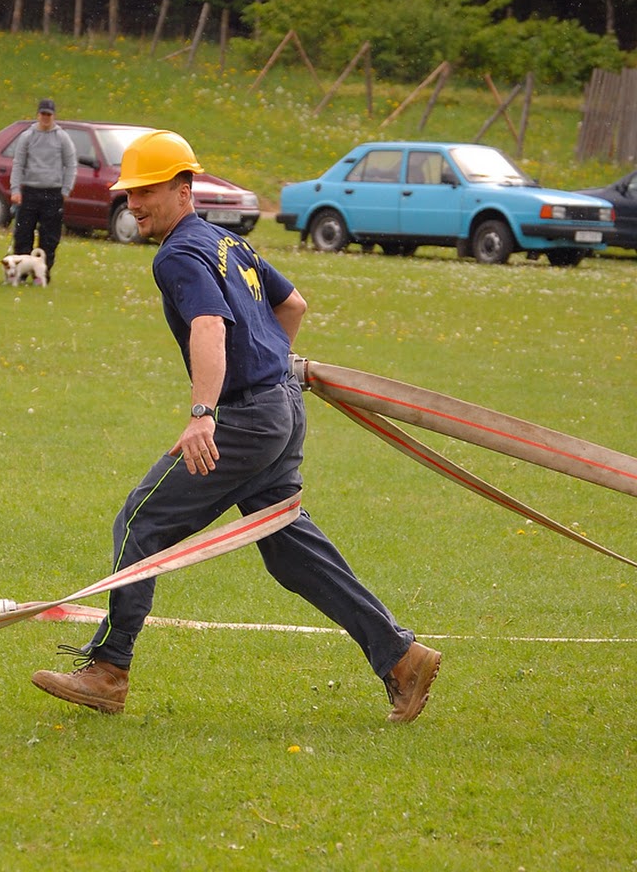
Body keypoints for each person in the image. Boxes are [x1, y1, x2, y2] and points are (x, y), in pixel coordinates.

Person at [31, 131, 441, 723]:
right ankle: (400, 656)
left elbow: (208, 326)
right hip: (282, 410)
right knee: (289, 549)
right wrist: (274, 371)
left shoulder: (177, 254)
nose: (134, 205)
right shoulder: (229, 242)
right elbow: (293, 305)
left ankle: (108, 670)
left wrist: (204, 414)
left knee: (141, 522)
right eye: (130, 193)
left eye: (146, 192)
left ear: (183, 189)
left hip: (248, 420)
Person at [9, 99, 78, 282]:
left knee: (50, 237)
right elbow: (18, 164)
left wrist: (66, 189)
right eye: (43, 114)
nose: (45, 118)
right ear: (38, 115)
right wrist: (15, 189)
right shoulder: (27, 136)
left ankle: (42, 273)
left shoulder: (62, 138)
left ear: (53, 116)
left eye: (49, 115)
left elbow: (71, 164)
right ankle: (20, 273)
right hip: (30, 191)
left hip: (53, 193)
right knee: (23, 233)